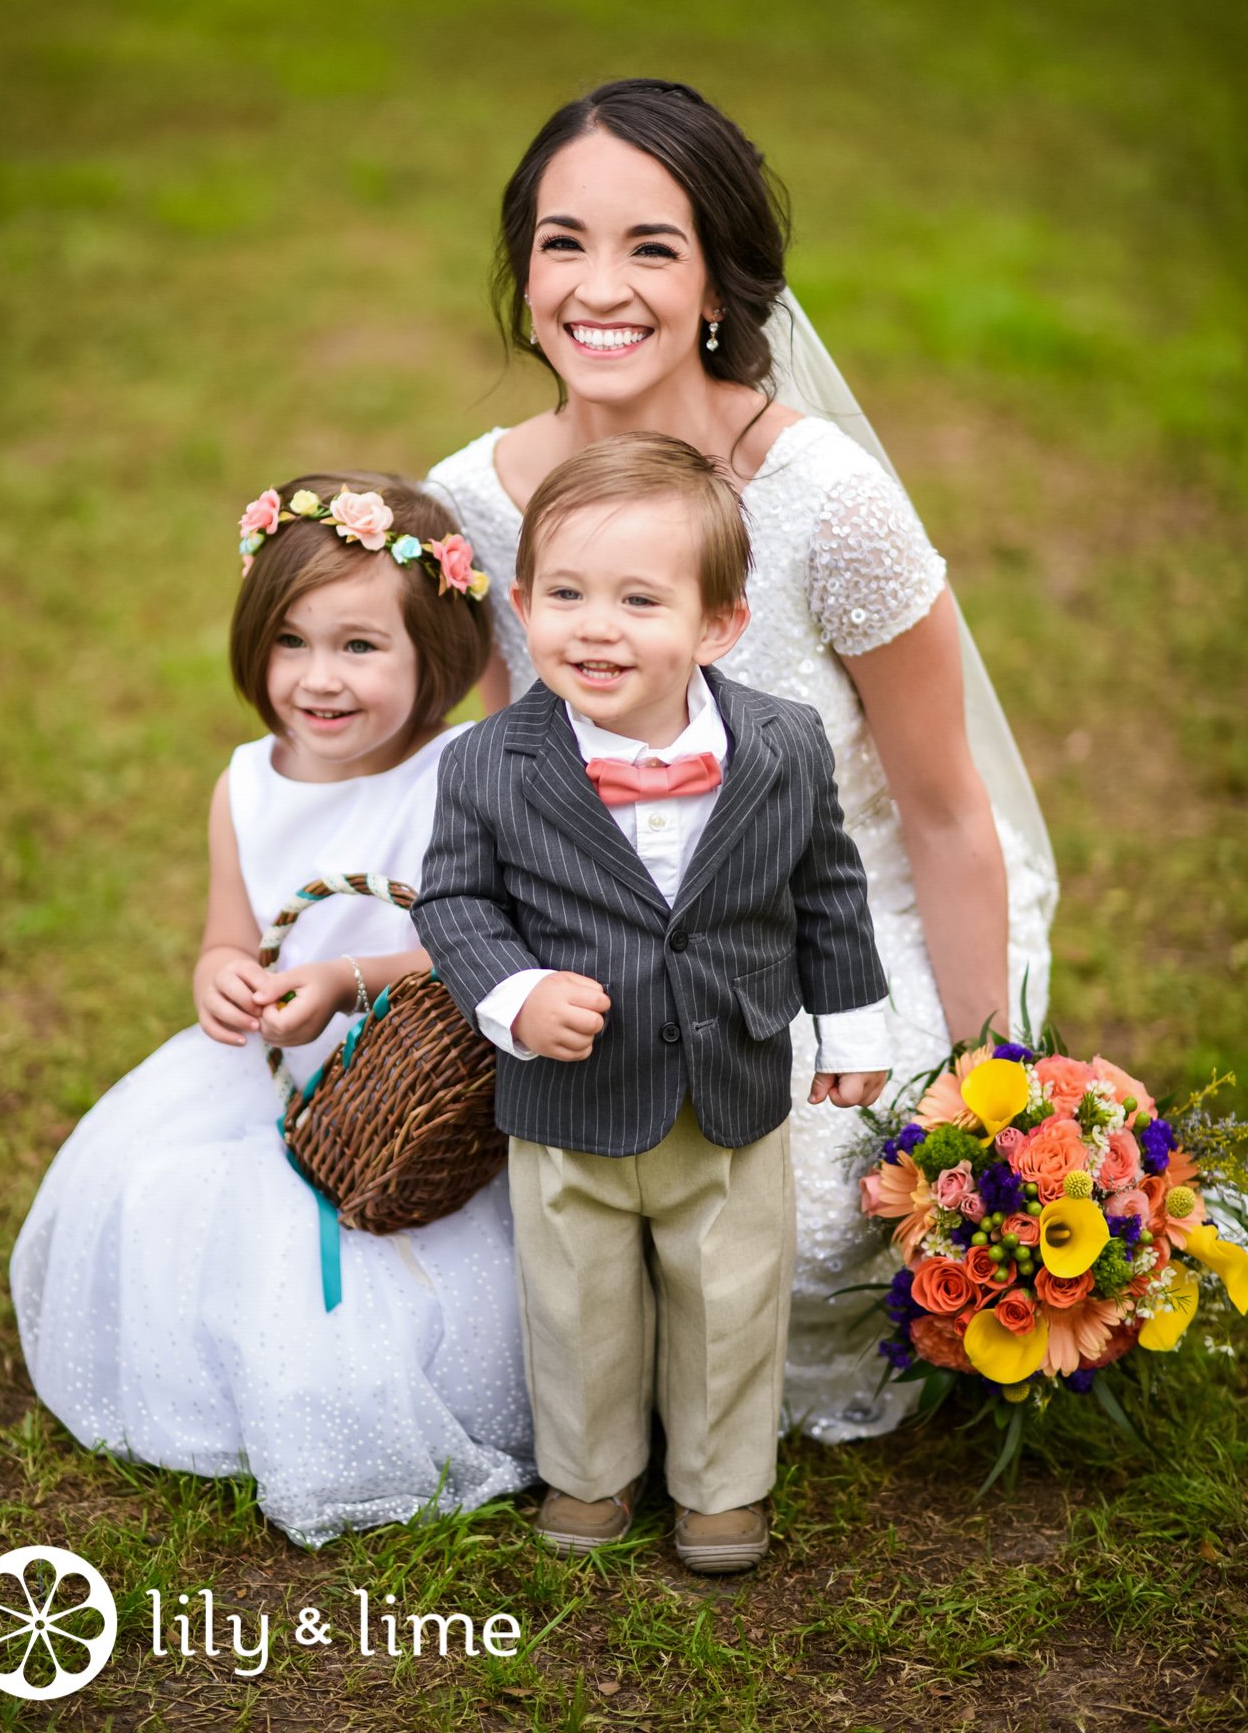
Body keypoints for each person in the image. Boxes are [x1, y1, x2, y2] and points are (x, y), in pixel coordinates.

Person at [427, 77, 1058, 1440]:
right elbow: (487, 785)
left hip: (829, 957)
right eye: (560, 242)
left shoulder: (821, 501)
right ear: (521, 271)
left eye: (649, 246)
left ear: (715, 283)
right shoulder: (474, 504)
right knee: (495, 1223)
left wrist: (985, 1095)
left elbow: (949, 818)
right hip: (589, 957)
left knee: (796, 1217)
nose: (599, 287)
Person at [10, 474, 535, 1546]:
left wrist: (347, 980)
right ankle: (220, 1387)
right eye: (290, 641)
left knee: (422, 1263)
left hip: (413, 1079)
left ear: (435, 649)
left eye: (358, 646)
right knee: (173, 1203)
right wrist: (220, 976)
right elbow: (226, 930)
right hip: (271, 1079)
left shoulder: (459, 772)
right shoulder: (247, 782)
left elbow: (476, 939)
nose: (317, 678)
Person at [414, 435, 890, 1572]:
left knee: (731, 1296)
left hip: (730, 1086)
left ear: (719, 623)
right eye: (567, 594)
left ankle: (722, 1487)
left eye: (640, 598)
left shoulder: (779, 743)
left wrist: (853, 1023)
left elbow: (825, 885)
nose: (597, 626)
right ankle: (589, 1472)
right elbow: (455, 901)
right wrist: (517, 995)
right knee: (577, 1302)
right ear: (522, 607)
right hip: (568, 1101)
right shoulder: (488, 761)